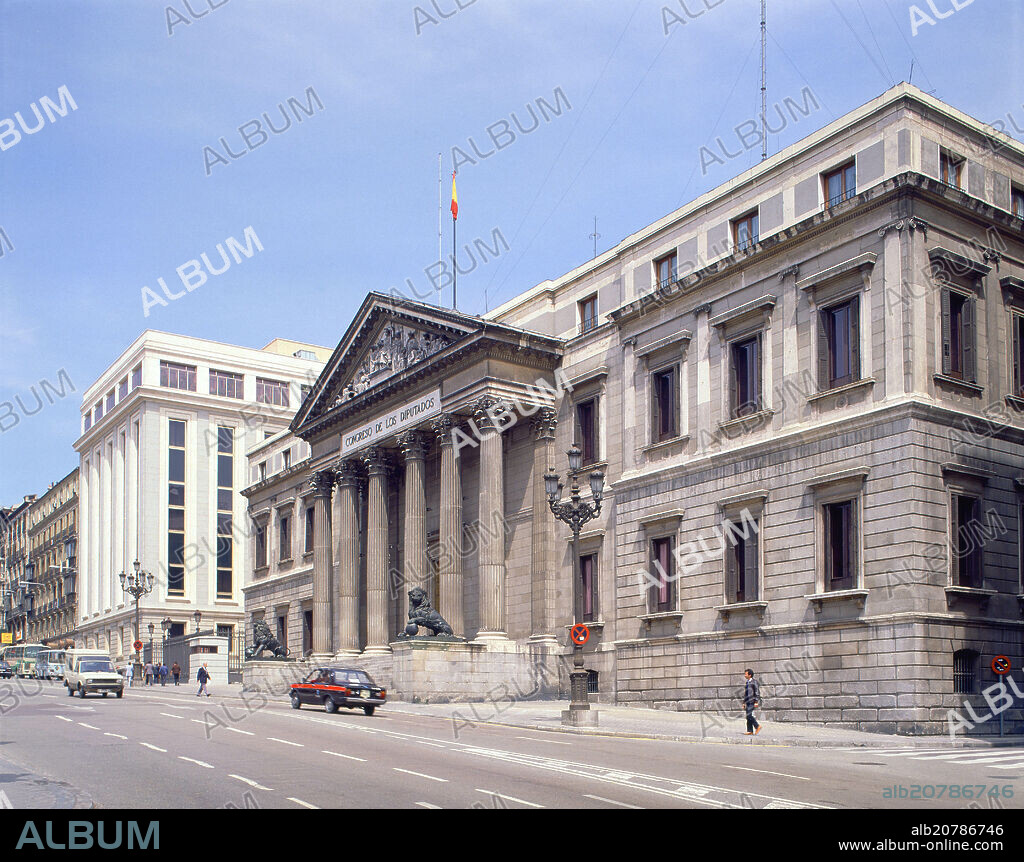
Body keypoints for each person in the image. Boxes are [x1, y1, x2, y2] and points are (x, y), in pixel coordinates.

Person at [742, 668, 761, 735]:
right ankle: (750, 730)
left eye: (746, 674)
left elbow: (757, 692)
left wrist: (756, 701)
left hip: (752, 701)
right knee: (748, 716)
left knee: (749, 715)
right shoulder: (747, 682)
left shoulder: (754, 682)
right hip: (747, 701)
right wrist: (744, 702)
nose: (745, 675)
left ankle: (757, 726)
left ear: (750, 675)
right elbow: (746, 693)